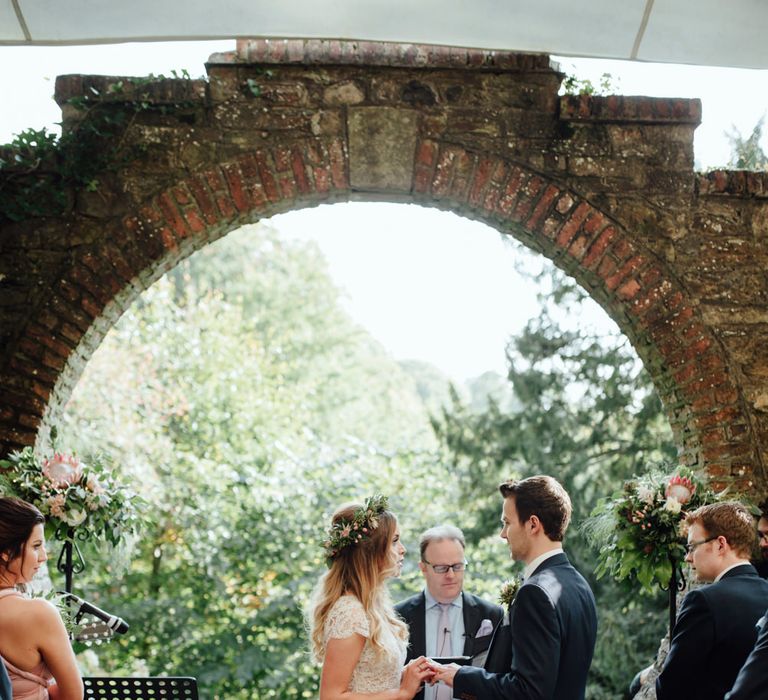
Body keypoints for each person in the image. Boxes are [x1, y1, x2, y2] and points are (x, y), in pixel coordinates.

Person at [429, 475, 597, 700]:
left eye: (507, 523)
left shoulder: (535, 593)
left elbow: (527, 692)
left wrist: (460, 677)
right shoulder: (580, 585)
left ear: (533, 524)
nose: (502, 534)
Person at [307, 495, 434, 700]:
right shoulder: (350, 612)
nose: (402, 549)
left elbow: (370, 681)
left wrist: (406, 676)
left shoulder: (373, 606)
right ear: (371, 552)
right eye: (394, 541)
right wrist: (401, 694)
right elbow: (331, 696)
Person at [655, 501, 768, 700]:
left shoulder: (703, 601)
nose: (688, 558)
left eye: (691, 547)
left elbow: (671, 687)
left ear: (720, 544)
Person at [394, 525, 503, 700]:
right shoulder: (397, 616)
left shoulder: (492, 614)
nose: (451, 575)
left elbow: (497, 678)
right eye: (442, 568)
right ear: (423, 567)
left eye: (458, 566)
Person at [0, 497, 83, 700]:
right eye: (36, 546)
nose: (44, 556)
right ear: (7, 552)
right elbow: (73, 696)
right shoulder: (37, 613)